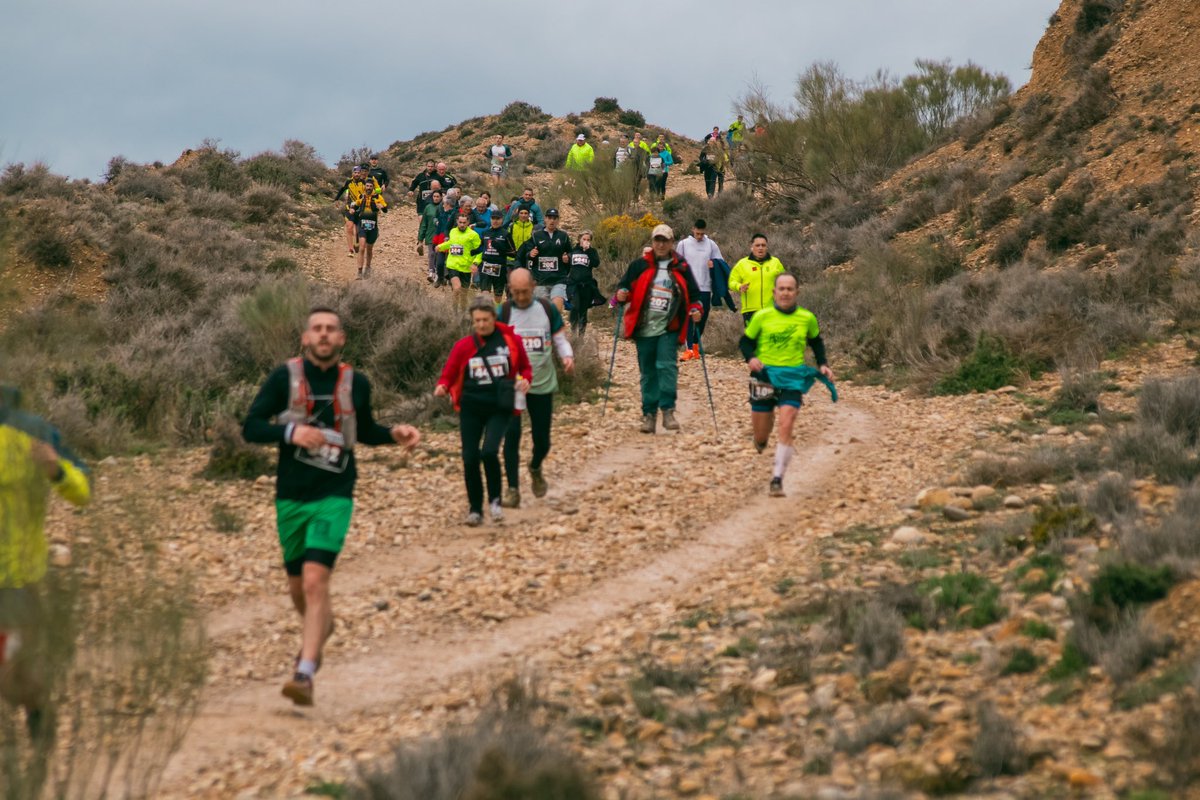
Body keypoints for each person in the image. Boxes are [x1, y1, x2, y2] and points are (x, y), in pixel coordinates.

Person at [242, 308, 421, 706]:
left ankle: (304, 673)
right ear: (305, 338)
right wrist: (291, 431)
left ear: (342, 339)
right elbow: (251, 426)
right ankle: (322, 625)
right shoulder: (282, 378)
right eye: (317, 329)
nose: (324, 336)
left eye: (331, 330)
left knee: (315, 580)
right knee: (297, 589)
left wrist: (395, 433)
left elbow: (366, 430)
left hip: (336, 493)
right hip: (290, 494)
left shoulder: (356, 383)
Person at [0, 385, 90, 742]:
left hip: (16, 582)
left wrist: (56, 472)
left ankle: (38, 712)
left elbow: (82, 490)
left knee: (12, 674)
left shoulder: (30, 431)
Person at [435, 296, 532, 526]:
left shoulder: (510, 341)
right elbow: (449, 373)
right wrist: (442, 386)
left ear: (493, 318)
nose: (480, 325)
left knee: (489, 452)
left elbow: (525, 368)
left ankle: (495, 502)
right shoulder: (464, 346)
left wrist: (526, 380)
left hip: (499, 407)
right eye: (476, 320)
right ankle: (475, 508)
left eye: (485, 320)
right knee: (469, 458)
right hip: (471, 407)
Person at [740, 272, 835, 496]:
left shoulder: (806, 318)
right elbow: (745, 341)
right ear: (774, 292)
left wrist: (822, 364)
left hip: (793, 377)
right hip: (764, 376)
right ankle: (761, 439)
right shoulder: (762, 316)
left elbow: (816, 341)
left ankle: (777, 479)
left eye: (790, 289)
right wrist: (751, 358)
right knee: (761, 434)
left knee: (787, 421)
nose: (785, 293)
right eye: (781, 289)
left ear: (797, 292)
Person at [615, 224, 703, 433]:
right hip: (643, 328)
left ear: (672, 243)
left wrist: (695, 309)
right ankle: (649, 415)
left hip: (669, 327)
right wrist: (621, 294)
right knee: (648, 372)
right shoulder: (639, 266)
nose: (661, 244)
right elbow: (623, 287)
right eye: (657, 240)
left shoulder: (681, 266)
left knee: (667, 367)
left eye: (665, 240)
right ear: (652, 242)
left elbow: (695, 295)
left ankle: (668, 411)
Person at [498, 268, 574, 508]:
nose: (520, 297)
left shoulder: (546, 308)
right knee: (511, 436)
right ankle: (512, 489)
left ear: (533, 286)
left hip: (541, 382)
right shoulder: (505, 311)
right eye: (516, 292)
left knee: (542, 440)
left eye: (525, 291)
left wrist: (567, 356)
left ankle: (535, 466)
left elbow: (559, 337)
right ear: (510, 289)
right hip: (513, 386)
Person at [675, 219, 724, 360]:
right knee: (690, 318)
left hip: (705, 287)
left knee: (702, 318)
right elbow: (677, 264)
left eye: (702, 234)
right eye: (697, 233)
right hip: (688, 288)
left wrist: (714, 264)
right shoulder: (683, 244)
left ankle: (695, 345)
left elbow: (721, 262)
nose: (699, 236)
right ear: (692, 229)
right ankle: (688, 349)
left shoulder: (711, 244)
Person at [517, 208, 571, 314]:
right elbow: (526, 253)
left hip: (558, 279)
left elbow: (571, 252)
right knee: (542, 312)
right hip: (540, 280)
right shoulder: (536, 236)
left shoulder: (563, 236)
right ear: (545, 219)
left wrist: (568, 257)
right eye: (549, 218)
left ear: (558, 220)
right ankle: (546, 329)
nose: (552, 221)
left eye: (555, 218)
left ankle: (554, 327)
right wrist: (530, 254)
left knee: (557, 308)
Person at [729, 233, 786, 326]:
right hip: (750, 311)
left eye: (763, 245)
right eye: (757, 245)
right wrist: (739, 286)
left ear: (767, 247)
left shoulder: (775, 262)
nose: (760, 248)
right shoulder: (742, 264)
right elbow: (732, 281)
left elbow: (785, 281)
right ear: (752, 247)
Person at [437, 212, 483, 307]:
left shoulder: (473, 235)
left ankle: (462, 312)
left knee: (463, 294)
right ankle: (454, 310)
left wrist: (475, 263)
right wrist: (440, 246)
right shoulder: (453, 231)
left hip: (466, 267)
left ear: (468, 222)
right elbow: (451, 243)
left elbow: (480, 250)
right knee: (457, 288)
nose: (462, 225)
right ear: (457, 221)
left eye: (464, 222)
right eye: (460, 222)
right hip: (453, 265)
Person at [566, 230, 602, 334]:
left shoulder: (592, 251)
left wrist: (589, 251)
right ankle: (573, 330)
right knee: (575, 307)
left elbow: (596, 263)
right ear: (579, 240)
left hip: (586, 284)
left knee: (583, 311)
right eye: (584, 239)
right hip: (574, 284)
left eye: (588, 240)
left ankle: (581, 335)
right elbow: (568, 266)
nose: (586, 241)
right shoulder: (573, 250)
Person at [352, 177, 387, 279]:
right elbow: (355, 204)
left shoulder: (378, 197)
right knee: (362, 247)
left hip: (373, 226)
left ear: (373, 187)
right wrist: (352, 209)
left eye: (370, 186)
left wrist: (381, 206)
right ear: (365, 187)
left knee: (370, 249)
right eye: (367, 186)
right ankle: (359, 271)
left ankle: (367, 268)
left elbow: (385, 209)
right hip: (362, 225)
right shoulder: (361, 196)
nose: (368, 188)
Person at [333, 165, 368, 256]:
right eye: (355, 173)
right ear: (352, 173)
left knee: (358, 229)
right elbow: (342, 189)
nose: (357, 174)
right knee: (349, 227)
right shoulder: (348, 182)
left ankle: (356, 243)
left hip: (360, 208)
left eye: (358, 173)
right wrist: (336, 199)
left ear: (361, 174)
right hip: (349, 208)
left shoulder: (364, 182)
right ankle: (350, 249)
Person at [478, 210, 513, 301]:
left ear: (502, 220)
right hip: (486, 266)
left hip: (500, 267)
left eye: (498, 219)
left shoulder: (506, 234)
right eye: (493, 218)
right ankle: (487, 313)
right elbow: (480, 249)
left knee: (498, 297)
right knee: (485, 294)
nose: (495, 221)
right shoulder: (485, 233)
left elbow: (513, 253)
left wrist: (501, 248)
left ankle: (497, 313)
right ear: (490, 219)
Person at [417, 188, 443, 283]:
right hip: (430, 235)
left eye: (438, 197)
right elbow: (424, 223)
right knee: (431, 254)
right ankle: (431, 272)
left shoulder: (443, 208)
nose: (436, 198)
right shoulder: (428, 207)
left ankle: (439, 273)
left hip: (441, 235)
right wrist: (420, 239)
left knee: (438, 255)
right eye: (434, 196)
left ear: (441, 197)